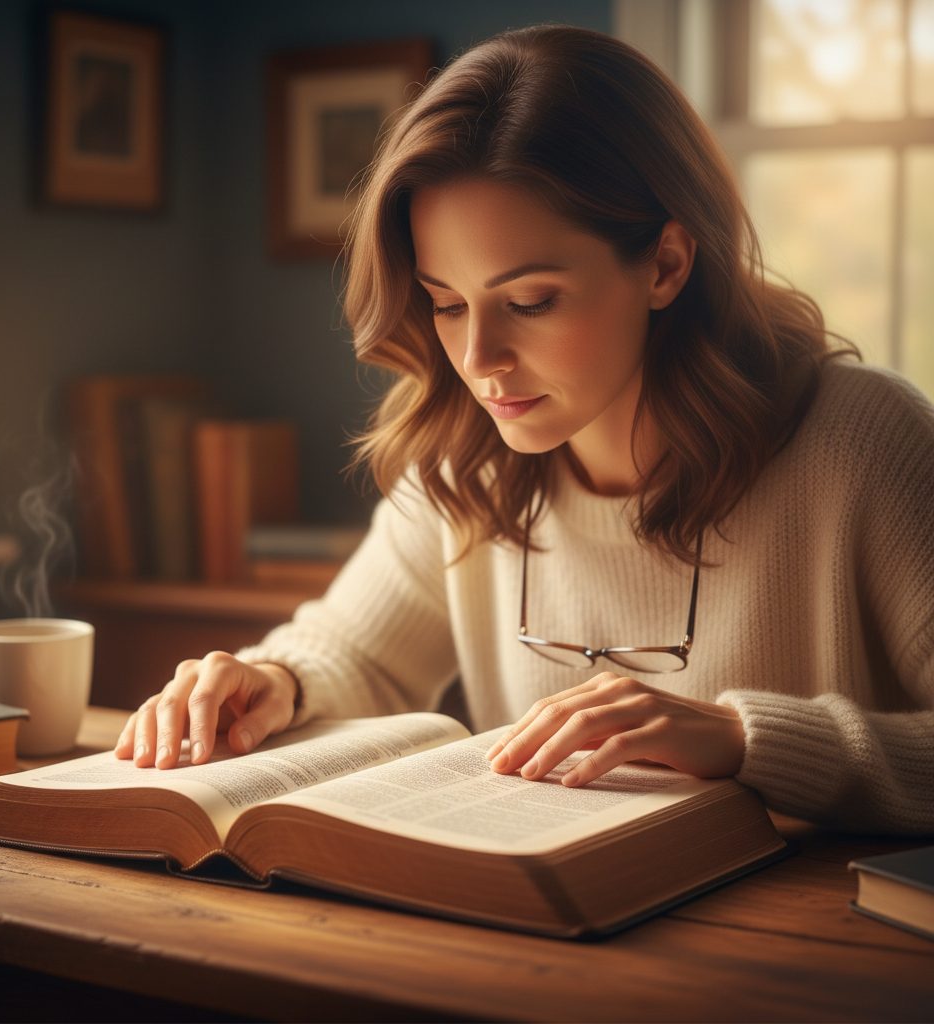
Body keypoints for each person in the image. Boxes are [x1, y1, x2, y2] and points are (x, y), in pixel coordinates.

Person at [114, 25, 934, 834]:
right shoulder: (467, 463)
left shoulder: (866, 445)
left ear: (666, 265)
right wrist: (274, 678)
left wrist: (744, 739)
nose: (479, 359)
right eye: (446, 302)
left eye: (531, 302)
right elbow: (357, 653)